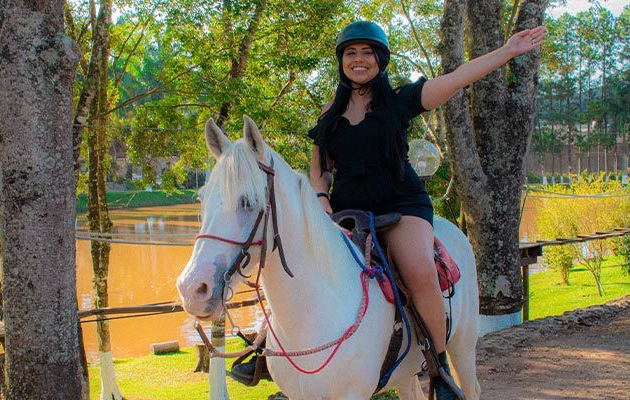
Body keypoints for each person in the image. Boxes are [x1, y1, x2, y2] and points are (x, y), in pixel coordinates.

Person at [232, 20, 547, 398]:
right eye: (351, 53)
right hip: (346, 210)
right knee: (299, 263)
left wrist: (508, 51)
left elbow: (458, 77)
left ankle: (438, 367)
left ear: (380, 59)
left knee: (419, 270)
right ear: (341, 61)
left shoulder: (399, 101)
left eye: (367, 52)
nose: (359, 60)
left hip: (401, 206)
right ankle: (264, 346)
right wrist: (320, 201)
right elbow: (319, 170)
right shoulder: (329, 113)